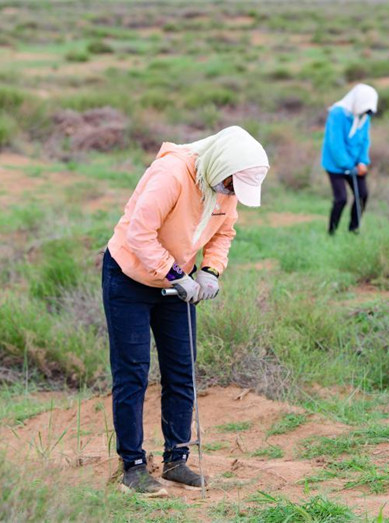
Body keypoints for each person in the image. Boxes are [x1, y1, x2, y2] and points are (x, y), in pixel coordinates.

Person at [102, 126, 269, 496]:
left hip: (176, 282)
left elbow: (224, 232)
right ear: (221, 166)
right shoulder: (171, 174)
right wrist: (178, 275)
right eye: (229, 184)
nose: (230, 192)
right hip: (129, 277)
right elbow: (139, 234)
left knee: (181, 370)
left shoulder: (226, 187)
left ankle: (176, 460)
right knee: (132, 373)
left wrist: (210, 272)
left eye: (236, 189)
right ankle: (133, 466)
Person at [321, 83, 378, 235]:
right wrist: (347, 165)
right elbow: (335, 144)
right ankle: (331, 232)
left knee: (362, 195)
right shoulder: (338, 113)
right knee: (341, 199)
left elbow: (365, 140)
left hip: (355, 164)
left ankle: (354, 229)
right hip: (335, 165)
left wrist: (362, 162)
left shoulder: (365, 115)